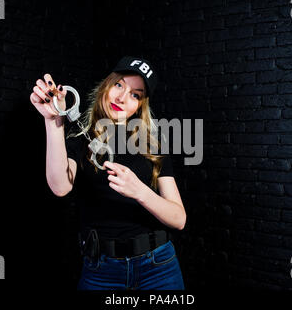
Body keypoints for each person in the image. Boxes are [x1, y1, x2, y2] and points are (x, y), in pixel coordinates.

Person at [29, 56, 186, 290]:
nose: (122, 98)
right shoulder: (80, 139)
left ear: (140, 105)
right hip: (101, 272)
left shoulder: (153, 145)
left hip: (159, 268)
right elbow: (60, 187)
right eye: (119, 85)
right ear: (106, 85)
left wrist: (140, 191)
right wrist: (53, 121)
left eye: (135, 95)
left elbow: (179, 219)